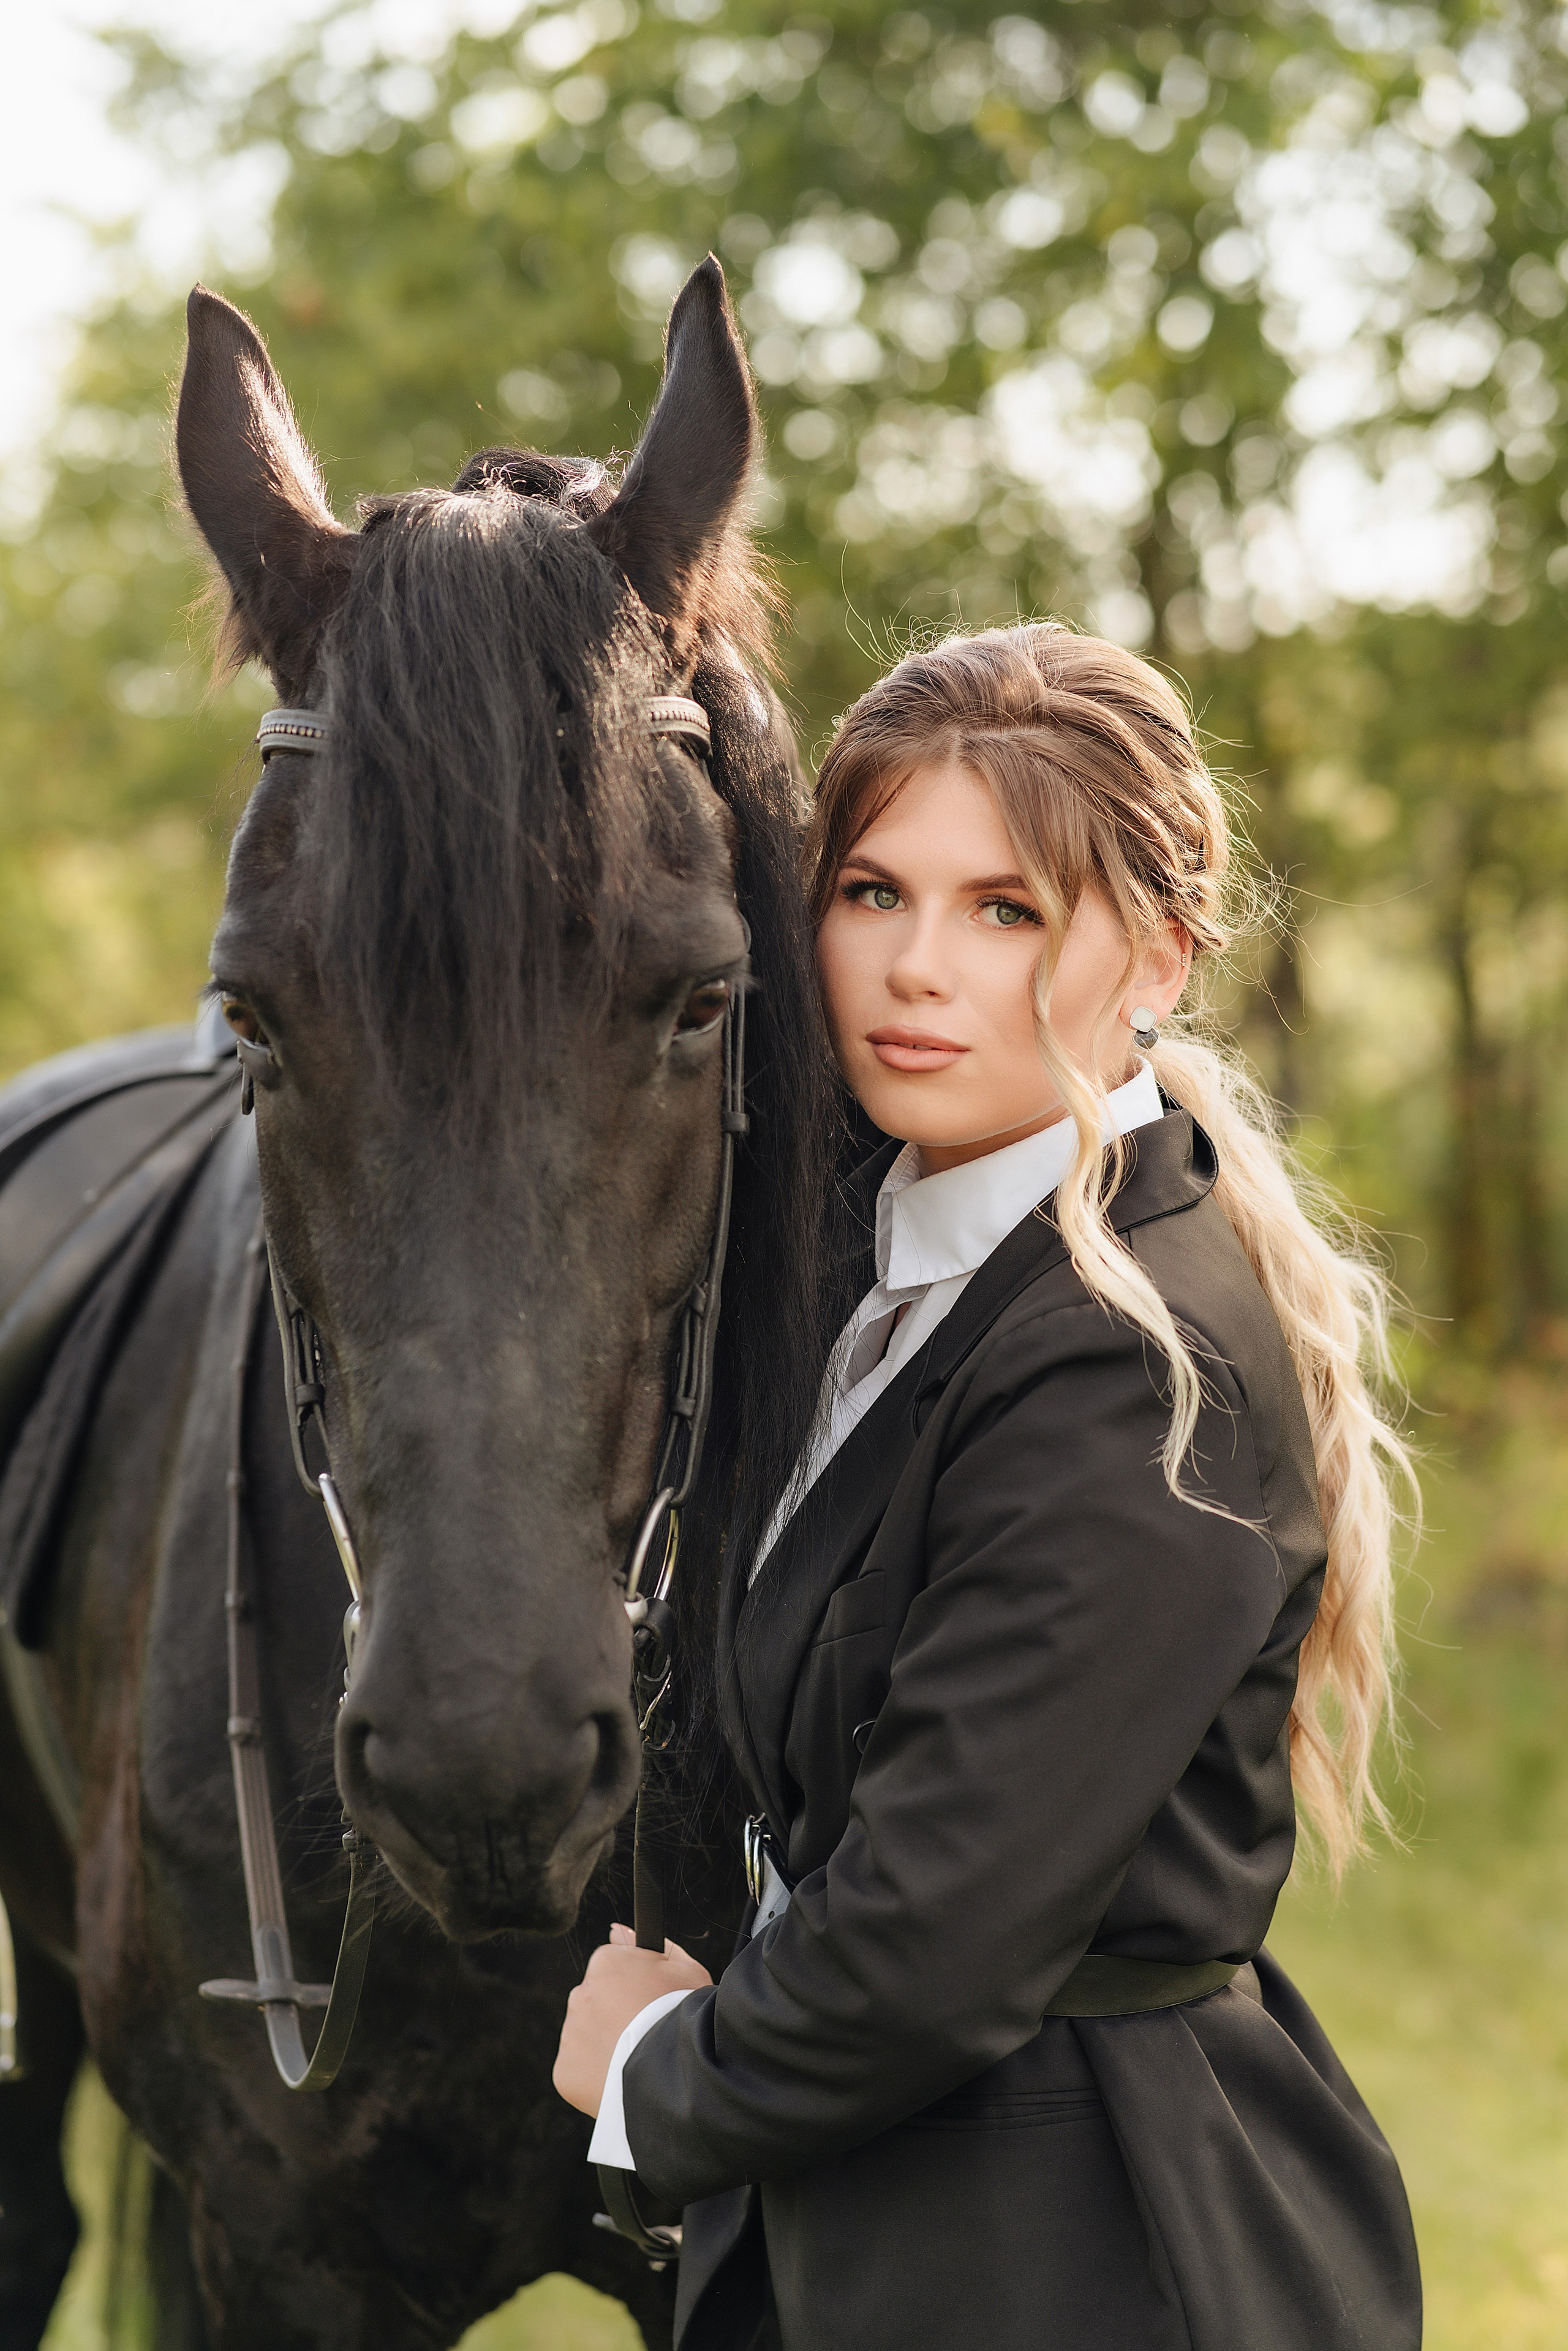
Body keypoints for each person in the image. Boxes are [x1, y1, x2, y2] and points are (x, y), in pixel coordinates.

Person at [553, 623, 1422, 2351]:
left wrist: (656, 2079)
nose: (915, 969)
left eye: (1005, 909)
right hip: (899, 2223)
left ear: (1160, 956)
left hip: (1080, 2249)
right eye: (872, 893)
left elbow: (938, 1926)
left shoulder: (1129, 1358)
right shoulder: (905, 1269)